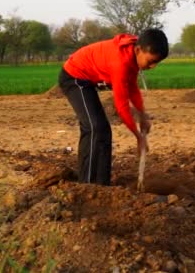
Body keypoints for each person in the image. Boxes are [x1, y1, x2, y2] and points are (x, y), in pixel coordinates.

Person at [58, 28, 168, 185]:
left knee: (103, 130)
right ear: (138, 50)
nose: (153, 67)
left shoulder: (132, 55)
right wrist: (138, 137)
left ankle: (102, 184)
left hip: (87, 81)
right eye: (151, 62)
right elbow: (121, 106)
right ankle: (87, 185)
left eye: (157, 63)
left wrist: (142, 115)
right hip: (74, 77)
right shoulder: (120, 62)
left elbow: (132, 88)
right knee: (94, 128)